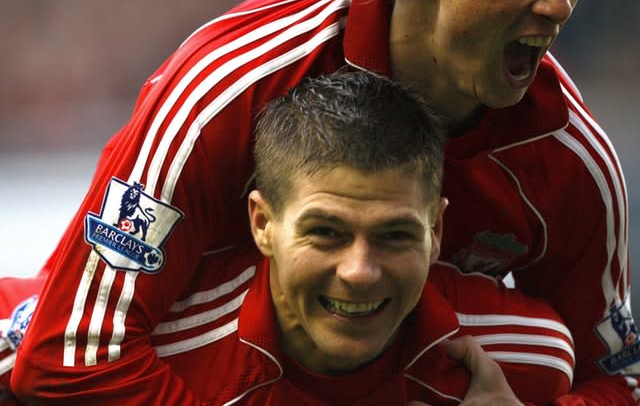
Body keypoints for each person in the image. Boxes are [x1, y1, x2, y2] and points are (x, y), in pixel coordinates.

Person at [6, 0, 639, 403]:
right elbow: (70, 357)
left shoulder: (571, 162)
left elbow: (618, 377)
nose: (558, 4)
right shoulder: (230, 88)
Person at [6, 71, 578, 404]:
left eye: (395, 235)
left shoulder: (519, 357)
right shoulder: (157, 341)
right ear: (262, 225)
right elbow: (40, 355)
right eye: (326, 233)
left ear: (437, 231)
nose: (359, 270)